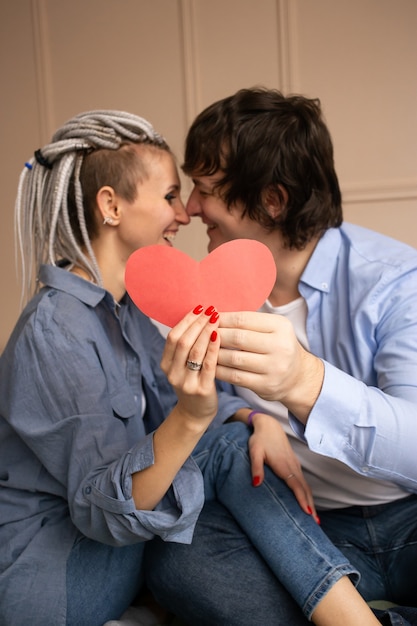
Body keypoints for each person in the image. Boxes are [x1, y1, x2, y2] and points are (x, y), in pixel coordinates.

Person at [0, 109, 379, 626]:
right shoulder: (56, 329)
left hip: (108, 553)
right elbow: (99, 513)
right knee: (218, 459)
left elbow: (163, 396)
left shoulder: (123, 310)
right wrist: (196, 418)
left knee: (225, 460)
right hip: (61, 577)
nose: (184, 214)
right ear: (111, 206)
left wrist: (255, 418)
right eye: (170, 196)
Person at [146, 87, 417, 626]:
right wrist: (252, 417)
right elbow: (208, 403)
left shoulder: (393, 282)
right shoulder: (213, 289)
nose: (192, 208)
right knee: (176, 565)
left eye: (207, 189)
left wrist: (304, 382)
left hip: (408, 518)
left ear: (272, 200)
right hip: (305, 524)